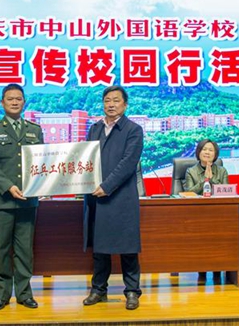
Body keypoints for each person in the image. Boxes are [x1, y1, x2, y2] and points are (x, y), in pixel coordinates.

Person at [0, 83, 44, 311]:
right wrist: (8, 187)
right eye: (10, 99)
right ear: (2, 103)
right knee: (1, 250)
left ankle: (25, 294)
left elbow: (42, 161)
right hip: (2, 201)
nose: (15, 102)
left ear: (24, 102)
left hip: (28, 199)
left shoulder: (35, 130)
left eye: (18, 98)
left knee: (25, 249)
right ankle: (2, 294)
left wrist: (43, 184)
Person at [82, 85, 143, 310]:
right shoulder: (95, 128)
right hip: (97, 197)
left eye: (116, 100)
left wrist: (106, 186)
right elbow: (85, 159)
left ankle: (132, 291)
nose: (111, 104)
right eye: (107, 100)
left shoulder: (133, 129)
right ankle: (98, 289)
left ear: (125, 105)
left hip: (122, 197)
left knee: (128, 248)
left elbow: (128, 163)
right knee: (100, 249)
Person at [183, 139, 230, 282]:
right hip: (197, 213)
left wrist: (212, 180)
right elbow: (189, 192)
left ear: (215, 154)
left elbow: (226, 192)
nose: (207, 152)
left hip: (218, 213)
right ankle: (201, 270)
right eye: (204, 149)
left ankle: (218, 270)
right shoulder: (191, 171)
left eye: (210, 150)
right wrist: (204, 180)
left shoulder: (222, 171)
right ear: (199, 152)